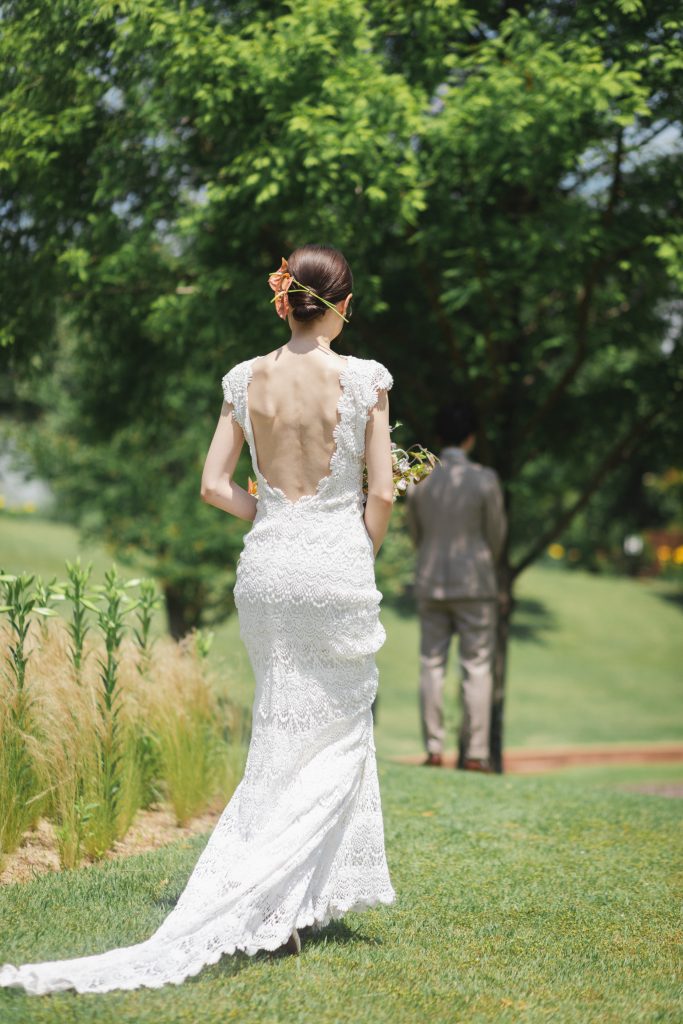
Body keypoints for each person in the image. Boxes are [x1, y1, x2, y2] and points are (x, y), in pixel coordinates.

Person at [0, 243, 397, 995]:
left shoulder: (245, 379)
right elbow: (379, 493)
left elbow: (214, 486)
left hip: (266, 568)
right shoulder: (366, 380)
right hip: (334, 565)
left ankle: (282, 898)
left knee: (278, 726)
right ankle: (276, 899)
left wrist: (272, 517)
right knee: (335, 733)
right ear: (343, 305)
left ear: (285, 300)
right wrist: (354, 550)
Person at [405, 400, 506, 773]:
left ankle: (433, 748)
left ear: (438, 435)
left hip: (431, 579)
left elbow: (415, 531)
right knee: (477, 665)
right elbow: (496, 534)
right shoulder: (485, 479)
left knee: (431, 664)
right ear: (471, 437)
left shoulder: (420, 478)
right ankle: (476, 753)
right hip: (475, 582)